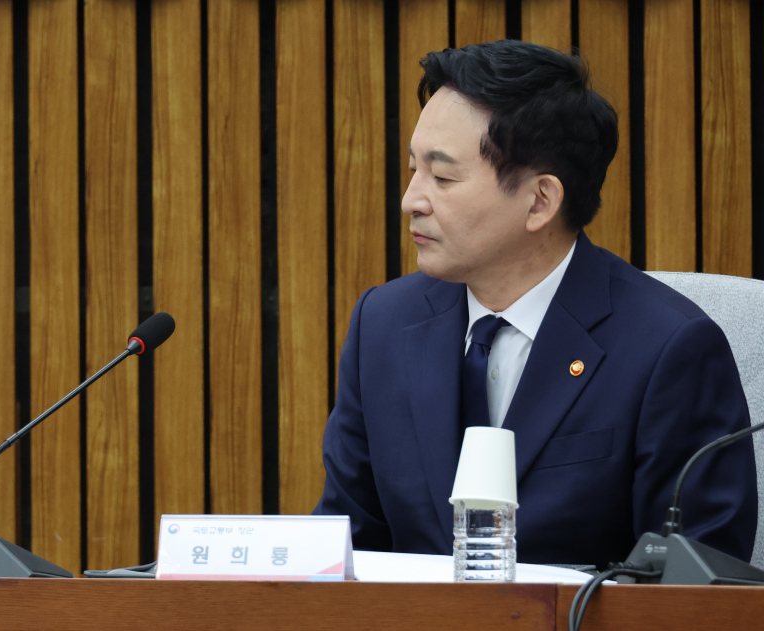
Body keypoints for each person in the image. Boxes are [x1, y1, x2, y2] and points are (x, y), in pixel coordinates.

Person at [315, 40, 757, 567]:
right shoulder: (384, 324)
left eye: (443, 176)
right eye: (413, 169)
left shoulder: (669, 348)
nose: (412, 198)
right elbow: (345, 549)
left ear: (540, 200)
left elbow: (691, 588)